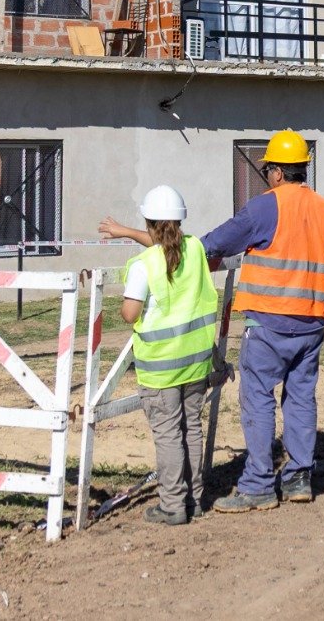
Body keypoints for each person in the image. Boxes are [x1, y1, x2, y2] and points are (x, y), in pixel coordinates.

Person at [106, 130, 324, 514]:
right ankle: (299, 477)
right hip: (311, 325)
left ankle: (258, 485)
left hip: (267, 325)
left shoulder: (264, 209)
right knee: (302, 398)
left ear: (277, 172)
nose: (267, 177)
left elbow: (211, 246)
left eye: (267, 171)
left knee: (258, 400)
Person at [107, 184, 221, 526]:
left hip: (160, 369)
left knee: (168, 434)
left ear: (149, 223)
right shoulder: (195, 249)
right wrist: (127, 232)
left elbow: (130, 314)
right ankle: (194, 500)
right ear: (179, 221)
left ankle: (172, 505)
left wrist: (124, 306)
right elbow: (167, 247)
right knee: (191, 429)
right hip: (196, 362)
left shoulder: (144, 265)